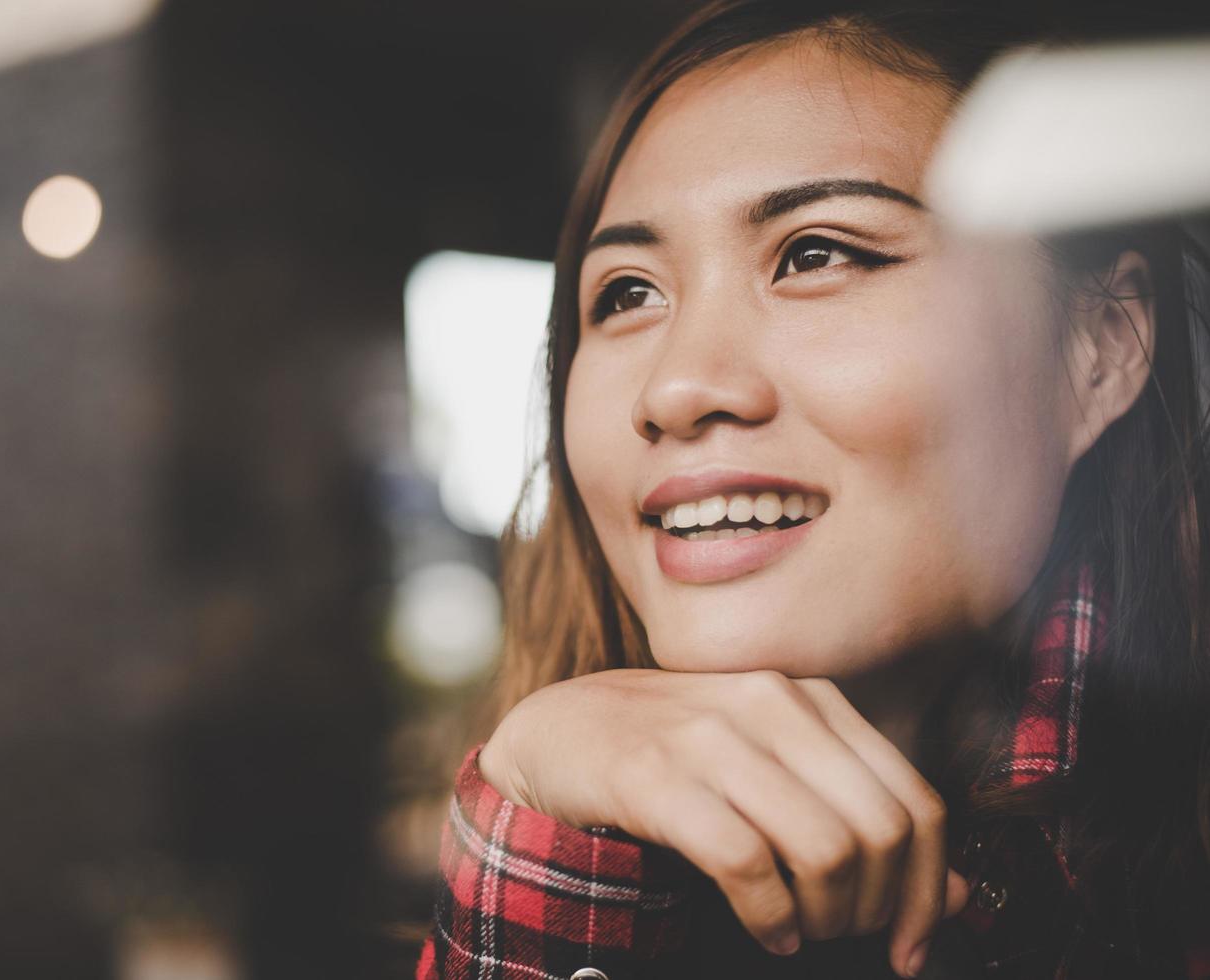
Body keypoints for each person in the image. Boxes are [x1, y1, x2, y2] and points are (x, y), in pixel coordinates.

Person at [413, 1, 1210, 977]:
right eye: (625, 292)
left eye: (816, 253)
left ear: (1099, 347)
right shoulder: (541, 811)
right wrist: (541, 843)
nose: (676, 387)